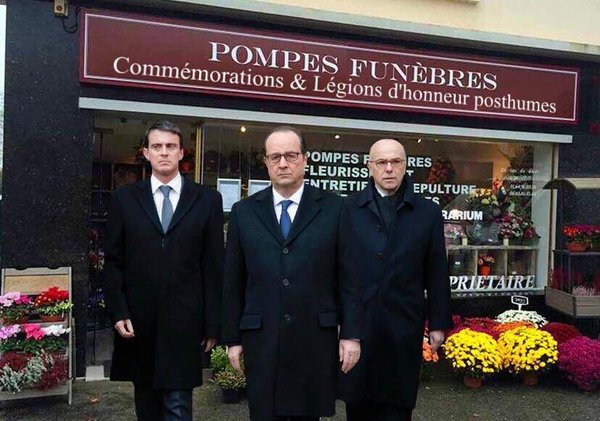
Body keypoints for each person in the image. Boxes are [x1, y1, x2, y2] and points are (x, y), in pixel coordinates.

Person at [222, 126, 362, 421]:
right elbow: (233, 281)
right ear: (266, 162)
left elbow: (350, 278)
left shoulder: (335, 208)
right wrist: (232, 339)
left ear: (305, 159)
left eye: (290, 155)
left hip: (313, 340)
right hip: (262, 340)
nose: (283, 163)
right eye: (275, 157)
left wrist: (351, 334)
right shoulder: (243, 212)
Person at [104, 120, 224, 421]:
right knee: (146, 405)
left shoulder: (208, 200)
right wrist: (118, 311)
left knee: (178, 405)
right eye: (157, 146)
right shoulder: (124, 199)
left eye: (171, 146)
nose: (164, 152)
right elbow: (114, 261)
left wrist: (213, 323)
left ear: (182, 152)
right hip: (139, 322)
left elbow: (213, 265)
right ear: (146, 153)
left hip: (186, 322)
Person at [339, 138, 453, 421]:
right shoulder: (348, 209)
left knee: (398, 409)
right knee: (359, 408)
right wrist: (340, 324)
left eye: (396, 162)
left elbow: (437, 270)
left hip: (404, 326)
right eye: (381, 162)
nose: (389, 168)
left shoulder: (427, 212)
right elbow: (338, 269)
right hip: (360, 326)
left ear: (405, 165)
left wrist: (438, 322)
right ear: (370, 167)